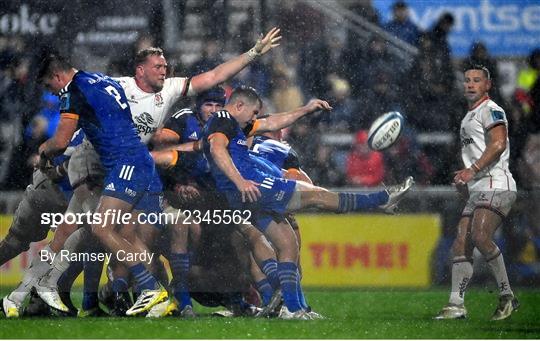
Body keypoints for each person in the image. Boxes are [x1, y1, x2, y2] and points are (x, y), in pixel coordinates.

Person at [201, 86, 413, 319]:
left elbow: (273, 122)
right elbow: (217, 148)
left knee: (287, 244)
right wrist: (240, 181)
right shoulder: (223, 118)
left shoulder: (238, 125)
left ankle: (294, 309)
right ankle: (382, 199)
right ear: (239, 106)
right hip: (254, 186)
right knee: (318, 197)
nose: (255, 119)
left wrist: (306, 109)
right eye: (253, 113)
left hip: (245, 196)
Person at [35, 53, 168, 316]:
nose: (54, 93)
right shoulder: (102, 80)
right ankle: (158, 295)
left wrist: (43, 151)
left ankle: (151, 289)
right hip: (139, 161)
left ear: (57, 77)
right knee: (128, 235)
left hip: (125, 164)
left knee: (100, 228)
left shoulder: (73, 89)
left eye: (51, 87)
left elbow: (60, 141)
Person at [434, 65, 518, 321]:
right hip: (480, 187)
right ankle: (456, 303)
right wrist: (465, 179)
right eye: (468, 80)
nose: (470, 84)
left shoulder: (491, 109)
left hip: (497, 183)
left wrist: (473, 169)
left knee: (480, 235)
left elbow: (499, 144)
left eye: (477, 80)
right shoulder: (468, 116)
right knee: (461, 241)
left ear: (487, 85)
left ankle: (507, 296)